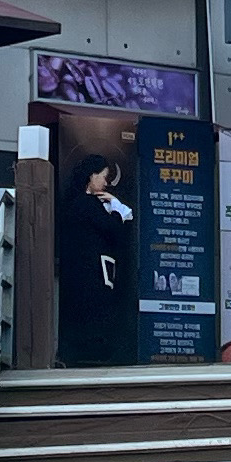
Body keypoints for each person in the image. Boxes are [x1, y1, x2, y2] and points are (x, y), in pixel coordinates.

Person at [54, 151, 136, 367]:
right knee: (96, 313)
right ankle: (94, 353)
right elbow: (113, 229)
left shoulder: (74, 204)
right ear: (92, 175)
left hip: (82, 272)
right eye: (104, 176)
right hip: (93, 272)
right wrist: (117, 208)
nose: (106, 183)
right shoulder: (87, 204)